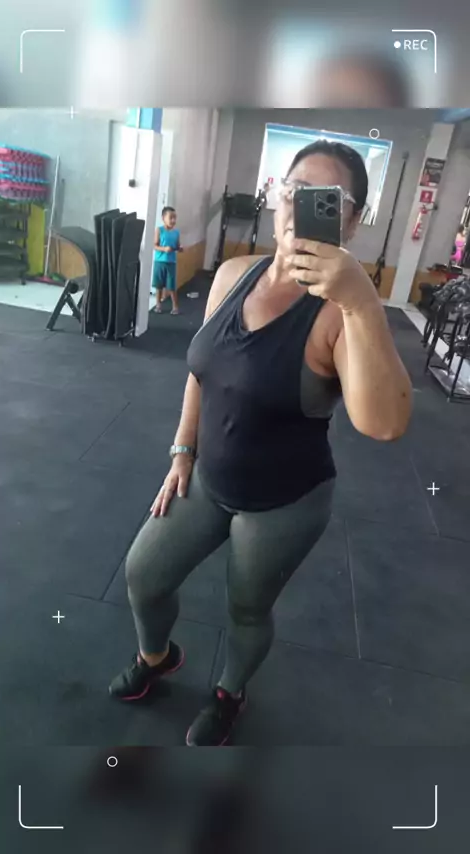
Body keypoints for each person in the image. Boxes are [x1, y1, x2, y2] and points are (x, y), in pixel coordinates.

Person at [109, 140, 413, 746]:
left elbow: (384, 424)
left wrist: (360, 298)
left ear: (352, 220)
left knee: (246, 609)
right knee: (143, 575)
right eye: (293, 188)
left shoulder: (339, 315)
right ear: (277, 195)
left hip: (284, 500)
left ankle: (230, 692)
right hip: (208, 478)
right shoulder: (231, 275)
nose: (300, 205)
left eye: (326, 198)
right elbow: (202, 370)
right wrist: (182, 450)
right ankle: (157, 657)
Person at [152, 206, 183, 315]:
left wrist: (180, 248)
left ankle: (175, 306)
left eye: (175, 218)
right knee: (159, 285)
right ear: (163, 218)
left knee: (171, 286)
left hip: (171, 262)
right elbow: (154, 245)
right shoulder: (159, 230)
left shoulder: (176, 232)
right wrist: (164, 249)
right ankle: (158, 305)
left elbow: (177, 246)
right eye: (171, 218)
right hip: (159, 262)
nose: (173, 220)